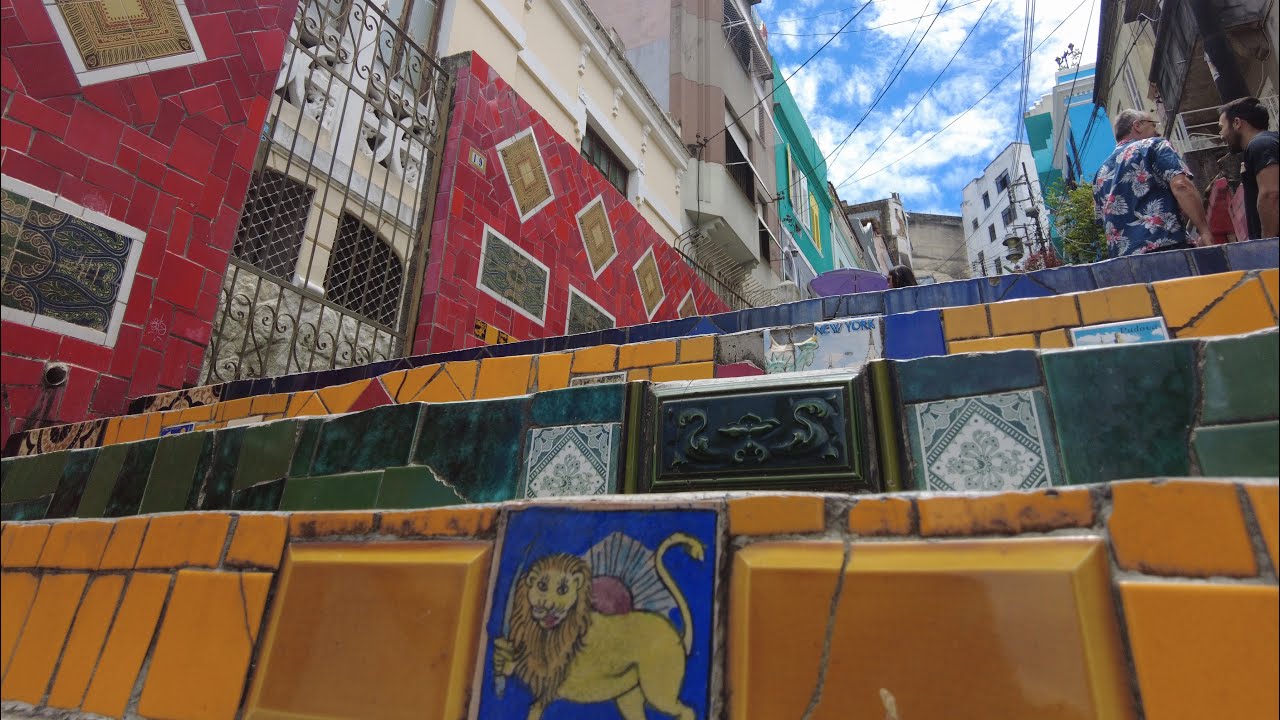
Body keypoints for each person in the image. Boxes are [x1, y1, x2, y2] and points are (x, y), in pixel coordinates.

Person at [1093, 109, 1211, 256]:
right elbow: (1181, 186)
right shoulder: (1153, 145)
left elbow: (1103, 222)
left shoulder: (1100, 175)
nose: (1158, 132)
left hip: (1126, 261)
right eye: (1153, 125)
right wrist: (1204, 232)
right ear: (1137, 126)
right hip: (1166, 248)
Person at [1219, 96, 1279, 240]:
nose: (1221, 136)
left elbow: (1270, 194)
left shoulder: (1260, 145)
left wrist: (1267, 243)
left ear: (1237, 123)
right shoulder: (1267, 143)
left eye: (1222, 128)